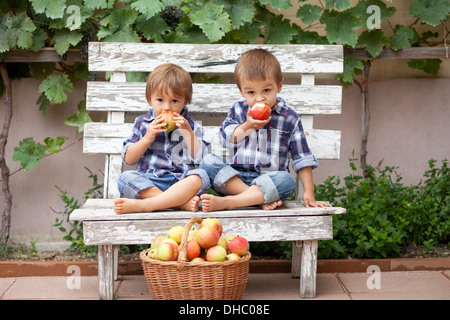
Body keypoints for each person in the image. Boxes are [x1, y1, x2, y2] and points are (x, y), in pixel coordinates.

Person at [199, 48, 329, 212]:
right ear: (241, 92)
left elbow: (302, 157)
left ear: (279, 85)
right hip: (236, 179)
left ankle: (231, 202)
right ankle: (253, 199)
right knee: (208, 162)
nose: (260, 98)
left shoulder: (289, 118)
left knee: (286, 180)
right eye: (251, 92)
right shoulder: (239, 110)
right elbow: (226, 140)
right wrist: (247, 126)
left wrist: (309, 192)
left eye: (266, 90)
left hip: (270, 181)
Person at [114, 63, 210, 214]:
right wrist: (147, 137)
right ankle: (178, 204)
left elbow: (203, 159)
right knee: (125, 178)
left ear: (185, 101)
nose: (167, 107)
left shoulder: (190, 125)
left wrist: (187, 133)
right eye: (160, 100)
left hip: (181, 182)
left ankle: (148, 205)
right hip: (151, 181)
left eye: (174, 101)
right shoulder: (142, 123)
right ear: (149, 99)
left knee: (201, 176)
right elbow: (129, 159)